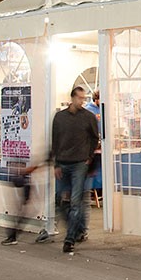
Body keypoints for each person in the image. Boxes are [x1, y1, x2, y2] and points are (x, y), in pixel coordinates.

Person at [49, 86, 100, 254]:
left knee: (76, 202)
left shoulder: (88, 117)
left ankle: (70, 239)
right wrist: (55, 163)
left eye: (83, 98)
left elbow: (94, 138)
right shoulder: (60, 117)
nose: (81, 101)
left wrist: (89, 157)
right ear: (72, 98)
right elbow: (55, 141)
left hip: (79, 163)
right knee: (60, 200)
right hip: (63, 162)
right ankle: (76, 228)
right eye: (79, 98)